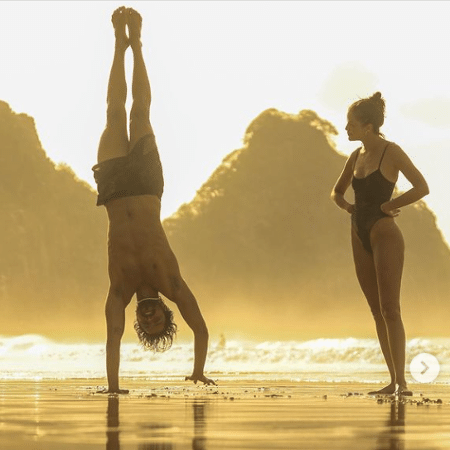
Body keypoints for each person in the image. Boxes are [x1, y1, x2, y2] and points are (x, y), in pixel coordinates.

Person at [93, 6, 215, 393]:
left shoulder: (119, 290)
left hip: (114, 190)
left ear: (140, 322)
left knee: (114, 113)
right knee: (140, 112)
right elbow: (201, 327)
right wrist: (198, 369)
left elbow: (112, 339)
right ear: (165, 311)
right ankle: (137, 44)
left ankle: (118, 44)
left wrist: (113, 387)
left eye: (146, 323)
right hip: (147, 186)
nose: (149, 317)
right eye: (157, 319)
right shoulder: (172, 282)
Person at [331, 92, 429, 396]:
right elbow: (336, 192)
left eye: (351, 124)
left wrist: (391, 205)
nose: (346, 128)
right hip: (357, 231)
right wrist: (348, 208)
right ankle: (392, 380)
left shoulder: (392, 152)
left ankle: (402, 382)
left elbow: (422, 187)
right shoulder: (355, 156)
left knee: (390, 309)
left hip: (384, 231)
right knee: (375, 310)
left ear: (369, 126)